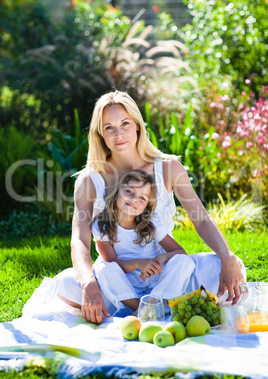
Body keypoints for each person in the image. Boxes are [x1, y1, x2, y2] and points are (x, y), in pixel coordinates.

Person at [55, 90, 246, 324]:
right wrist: (88, 284)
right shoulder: (89, 180)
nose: (118, 134)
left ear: (137, 125)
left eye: (125, 123)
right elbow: (79, 239)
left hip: (163, 273)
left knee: (228, 267)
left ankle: (150, 305)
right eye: (109, 128)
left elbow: (201, 219)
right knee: (65, 285)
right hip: (117, 275)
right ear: (100, 134)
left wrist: (226, 257)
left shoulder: (168, 168)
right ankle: (157, 307)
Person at [91, 169, 195, 315]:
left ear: (147, 206)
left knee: (184, 261)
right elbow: (112, 262)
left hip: (157, 279)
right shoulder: (101, 225)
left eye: (142, 198)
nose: (134, 199)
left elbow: (180, 252)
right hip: (126, 283)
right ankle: (142, 308)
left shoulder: (152, 223)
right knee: (103, 268)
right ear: (116, 193)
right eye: (129, 191)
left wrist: (163, 257)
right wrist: (138, 263)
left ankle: (153, 302)